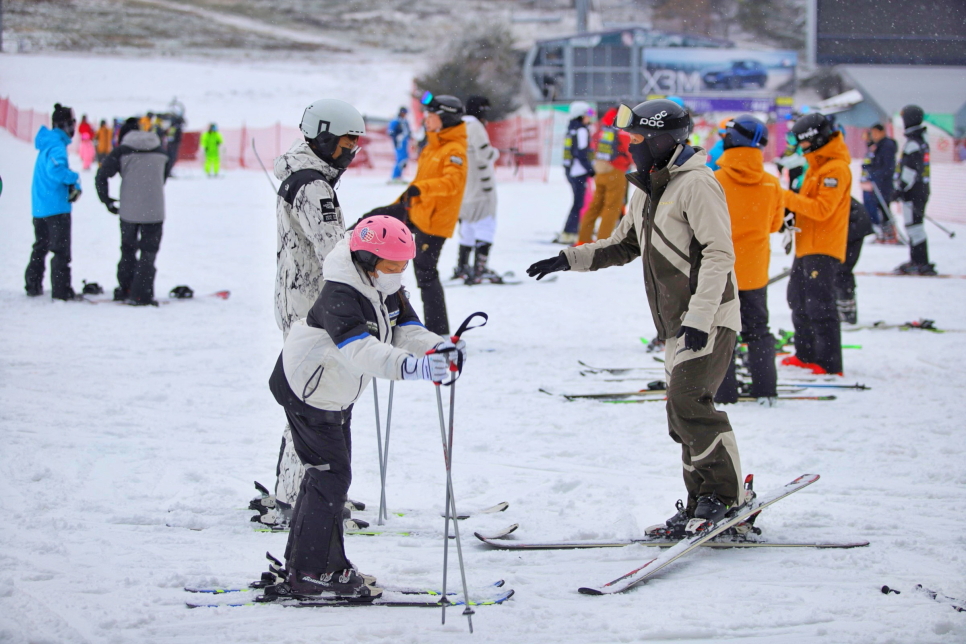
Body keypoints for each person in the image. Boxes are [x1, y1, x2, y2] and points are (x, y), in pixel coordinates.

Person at [527, 99, 744, 534]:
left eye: (639, 138)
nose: (632, 146)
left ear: (664, 139)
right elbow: (624, 244)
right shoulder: (648, 186)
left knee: (690, 403)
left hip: (709, 315)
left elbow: (720, 254)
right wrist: (568, 259)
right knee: (679, 415)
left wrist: (700, 318)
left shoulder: (697, 185)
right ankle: (702, 496)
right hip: (677, 321)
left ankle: (725, 496)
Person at [263, 216, 467, 599]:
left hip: (335, 390)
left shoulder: (379, 284)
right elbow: (361, 350)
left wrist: (437, 348)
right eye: (393, 266)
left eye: (404, 264)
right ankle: (311, 573)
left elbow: (405, 326)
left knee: (327, 478)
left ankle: (309, 565)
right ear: (367, 259)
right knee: (330, 478)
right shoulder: (340, 294)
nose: (400, 273)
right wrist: (415, 367)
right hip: (309, 390)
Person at [261, 99, 366, 525]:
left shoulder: (309, 179)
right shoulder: (313, 187)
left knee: (312, 398)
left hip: (302, 297)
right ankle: (300, 499)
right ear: (322, 136)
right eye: (345, 141)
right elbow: (334, 252)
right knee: (315, 401)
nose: (351, 150)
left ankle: (299, 493)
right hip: (313, 304)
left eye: (356, 142)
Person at [712, 115, 784, 405]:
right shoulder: (771, 183)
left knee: (721, 332)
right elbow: (775, 224)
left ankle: (725, 392)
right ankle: (765, 389)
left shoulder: (714, 180)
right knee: (758, 330)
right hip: (754, 271)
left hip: (720, 270)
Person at [779, 112, 851, 376]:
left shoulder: (835, 169)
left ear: (816, 139)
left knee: (820, 305)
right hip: (806, 244)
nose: (801, 148)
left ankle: (830, 363)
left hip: (823, 247)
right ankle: (806, 354)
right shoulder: (817, 166)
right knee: (797, 298)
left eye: (804, 142)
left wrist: (784, 196)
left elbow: (822, 210)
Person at [405, 92, 468, 335]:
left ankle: (437, 329)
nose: (426, 120)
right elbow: (420, 181)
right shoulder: (432, 146)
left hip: (434, 222)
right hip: (419, 213)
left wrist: (421, 189)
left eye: (430, 115)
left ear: (445, 118)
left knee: (426, 272)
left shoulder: (454, 150)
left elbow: (452, 183)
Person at [95, 117, 172, 306]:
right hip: (155, 210)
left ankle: (126, 288)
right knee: (149, 252)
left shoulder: (122, 151)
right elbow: (164, 174)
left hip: (129, 210)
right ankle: (142, 293)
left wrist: (107, 201)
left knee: (128, 250)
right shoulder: (160, 150)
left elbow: (101, 175)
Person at [25, 103, 82, 300]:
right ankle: (61, 291)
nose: (74, 128)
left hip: (40, 207)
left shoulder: (47, 143)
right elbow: (55, 170)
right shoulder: (57, 145)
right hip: (56, 208)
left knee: (40, 247)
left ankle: (33, 285)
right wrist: (74, 178)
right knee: (60, 251)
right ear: (65, 124)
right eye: (72, 123)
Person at [453, 95, 501, 284]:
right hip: (481, 185)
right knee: (486, 224)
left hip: (464, 184)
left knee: (468, 224)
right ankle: (479, 269)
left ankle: (463, 266)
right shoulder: (476, 127)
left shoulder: (458, 126)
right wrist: (495, 153)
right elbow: (484, 154)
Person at [577, 106, 632, 244]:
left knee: (595, 206)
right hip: (616, 171)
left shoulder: (603, 127)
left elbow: (593, 146)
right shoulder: (621, 130)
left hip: (601, 170)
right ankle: (604, 242)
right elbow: (631, 151)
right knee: (612, 208)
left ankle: (583, 238)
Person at [894, 105, 935, 275]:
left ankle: (920, 262)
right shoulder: (922, 140)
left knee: (914, 228)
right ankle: (918, 260)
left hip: (914, 192)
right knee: (915, 226)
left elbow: (910, 170)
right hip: (921, 189)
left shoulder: (913, 143)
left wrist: (900, 189)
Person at [555, 100, 595, 245]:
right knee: (579, 202)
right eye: (588, 114)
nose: (590, 117)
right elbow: (581, 153)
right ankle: (571, 231)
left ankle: (571, 230)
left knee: (578, 202)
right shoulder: (581, 130)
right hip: (579, 171)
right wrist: (591, 169)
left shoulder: (571, 129)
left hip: (571, 170)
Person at [834, 198, 875, 324]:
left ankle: (846, 312)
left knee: (841, 269)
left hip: (853, 226)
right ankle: (841, 308)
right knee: (838, 270)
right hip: (847, 223)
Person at [860, 123, 898, 243]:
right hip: (878, 182)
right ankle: (883, 234)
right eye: (873, 133)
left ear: (882, 132)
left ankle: (890, 234)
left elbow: (887, 166)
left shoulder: (887, 145)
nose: (874, 136)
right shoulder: (879, 145)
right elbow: (876, 161)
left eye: (876, 133)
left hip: (884, 183)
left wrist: (875, 173)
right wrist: (870, 167)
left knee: (885, 208)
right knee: (879, 209)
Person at [387, 107, 411, 183]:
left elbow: (408, 131)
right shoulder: (396, 121)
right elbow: (391, 131)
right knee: (400, 159)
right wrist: (397, 137)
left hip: (405, 142)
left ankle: (399, 176)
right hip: (399, 143)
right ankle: (395, 176)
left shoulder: (405, 121)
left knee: (404, 159)